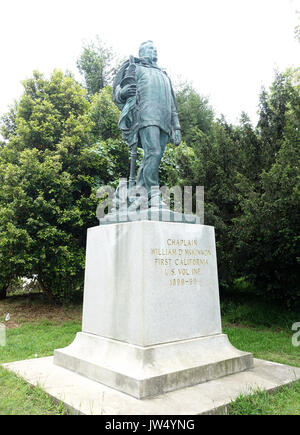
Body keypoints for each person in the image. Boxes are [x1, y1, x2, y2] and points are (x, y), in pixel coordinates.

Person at [113, 41, 181, 206]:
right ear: (142, 51)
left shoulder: (164, 75)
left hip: (164, 121)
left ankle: (141, 193)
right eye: (151, 48)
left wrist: (176, 126)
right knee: (154, 152)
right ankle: (153, 194)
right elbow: (118, 91)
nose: (155, 51)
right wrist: (122, 93)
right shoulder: (136, 68)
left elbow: (173, 105)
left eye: (156, 49)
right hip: (146, 117)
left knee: (153, 157)